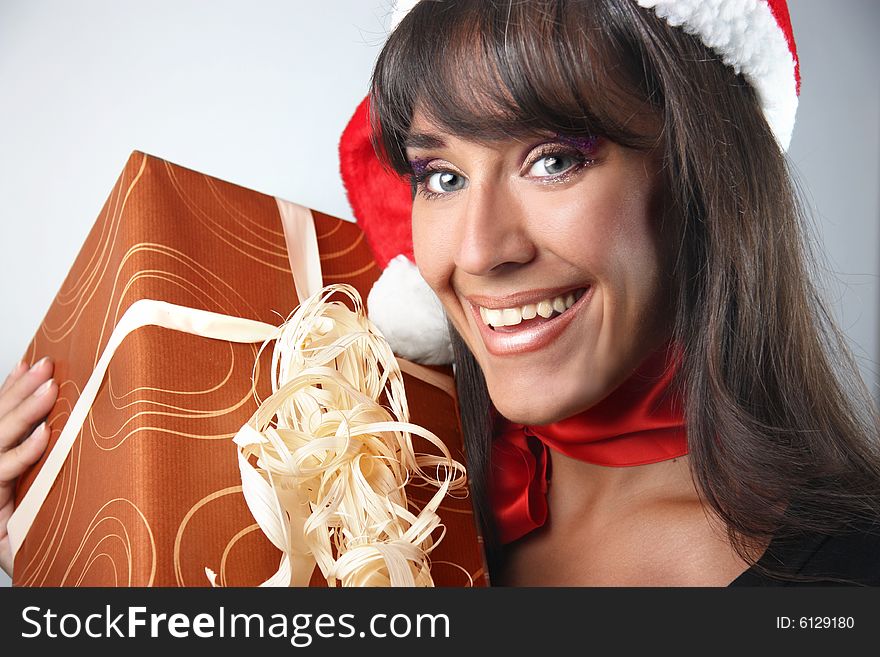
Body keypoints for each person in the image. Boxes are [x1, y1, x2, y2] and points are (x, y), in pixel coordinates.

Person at [343, 0, 880, 585]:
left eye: (553, 161)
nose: (478, 252)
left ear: (703, 180)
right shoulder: (371, 501)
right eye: (442, 178)